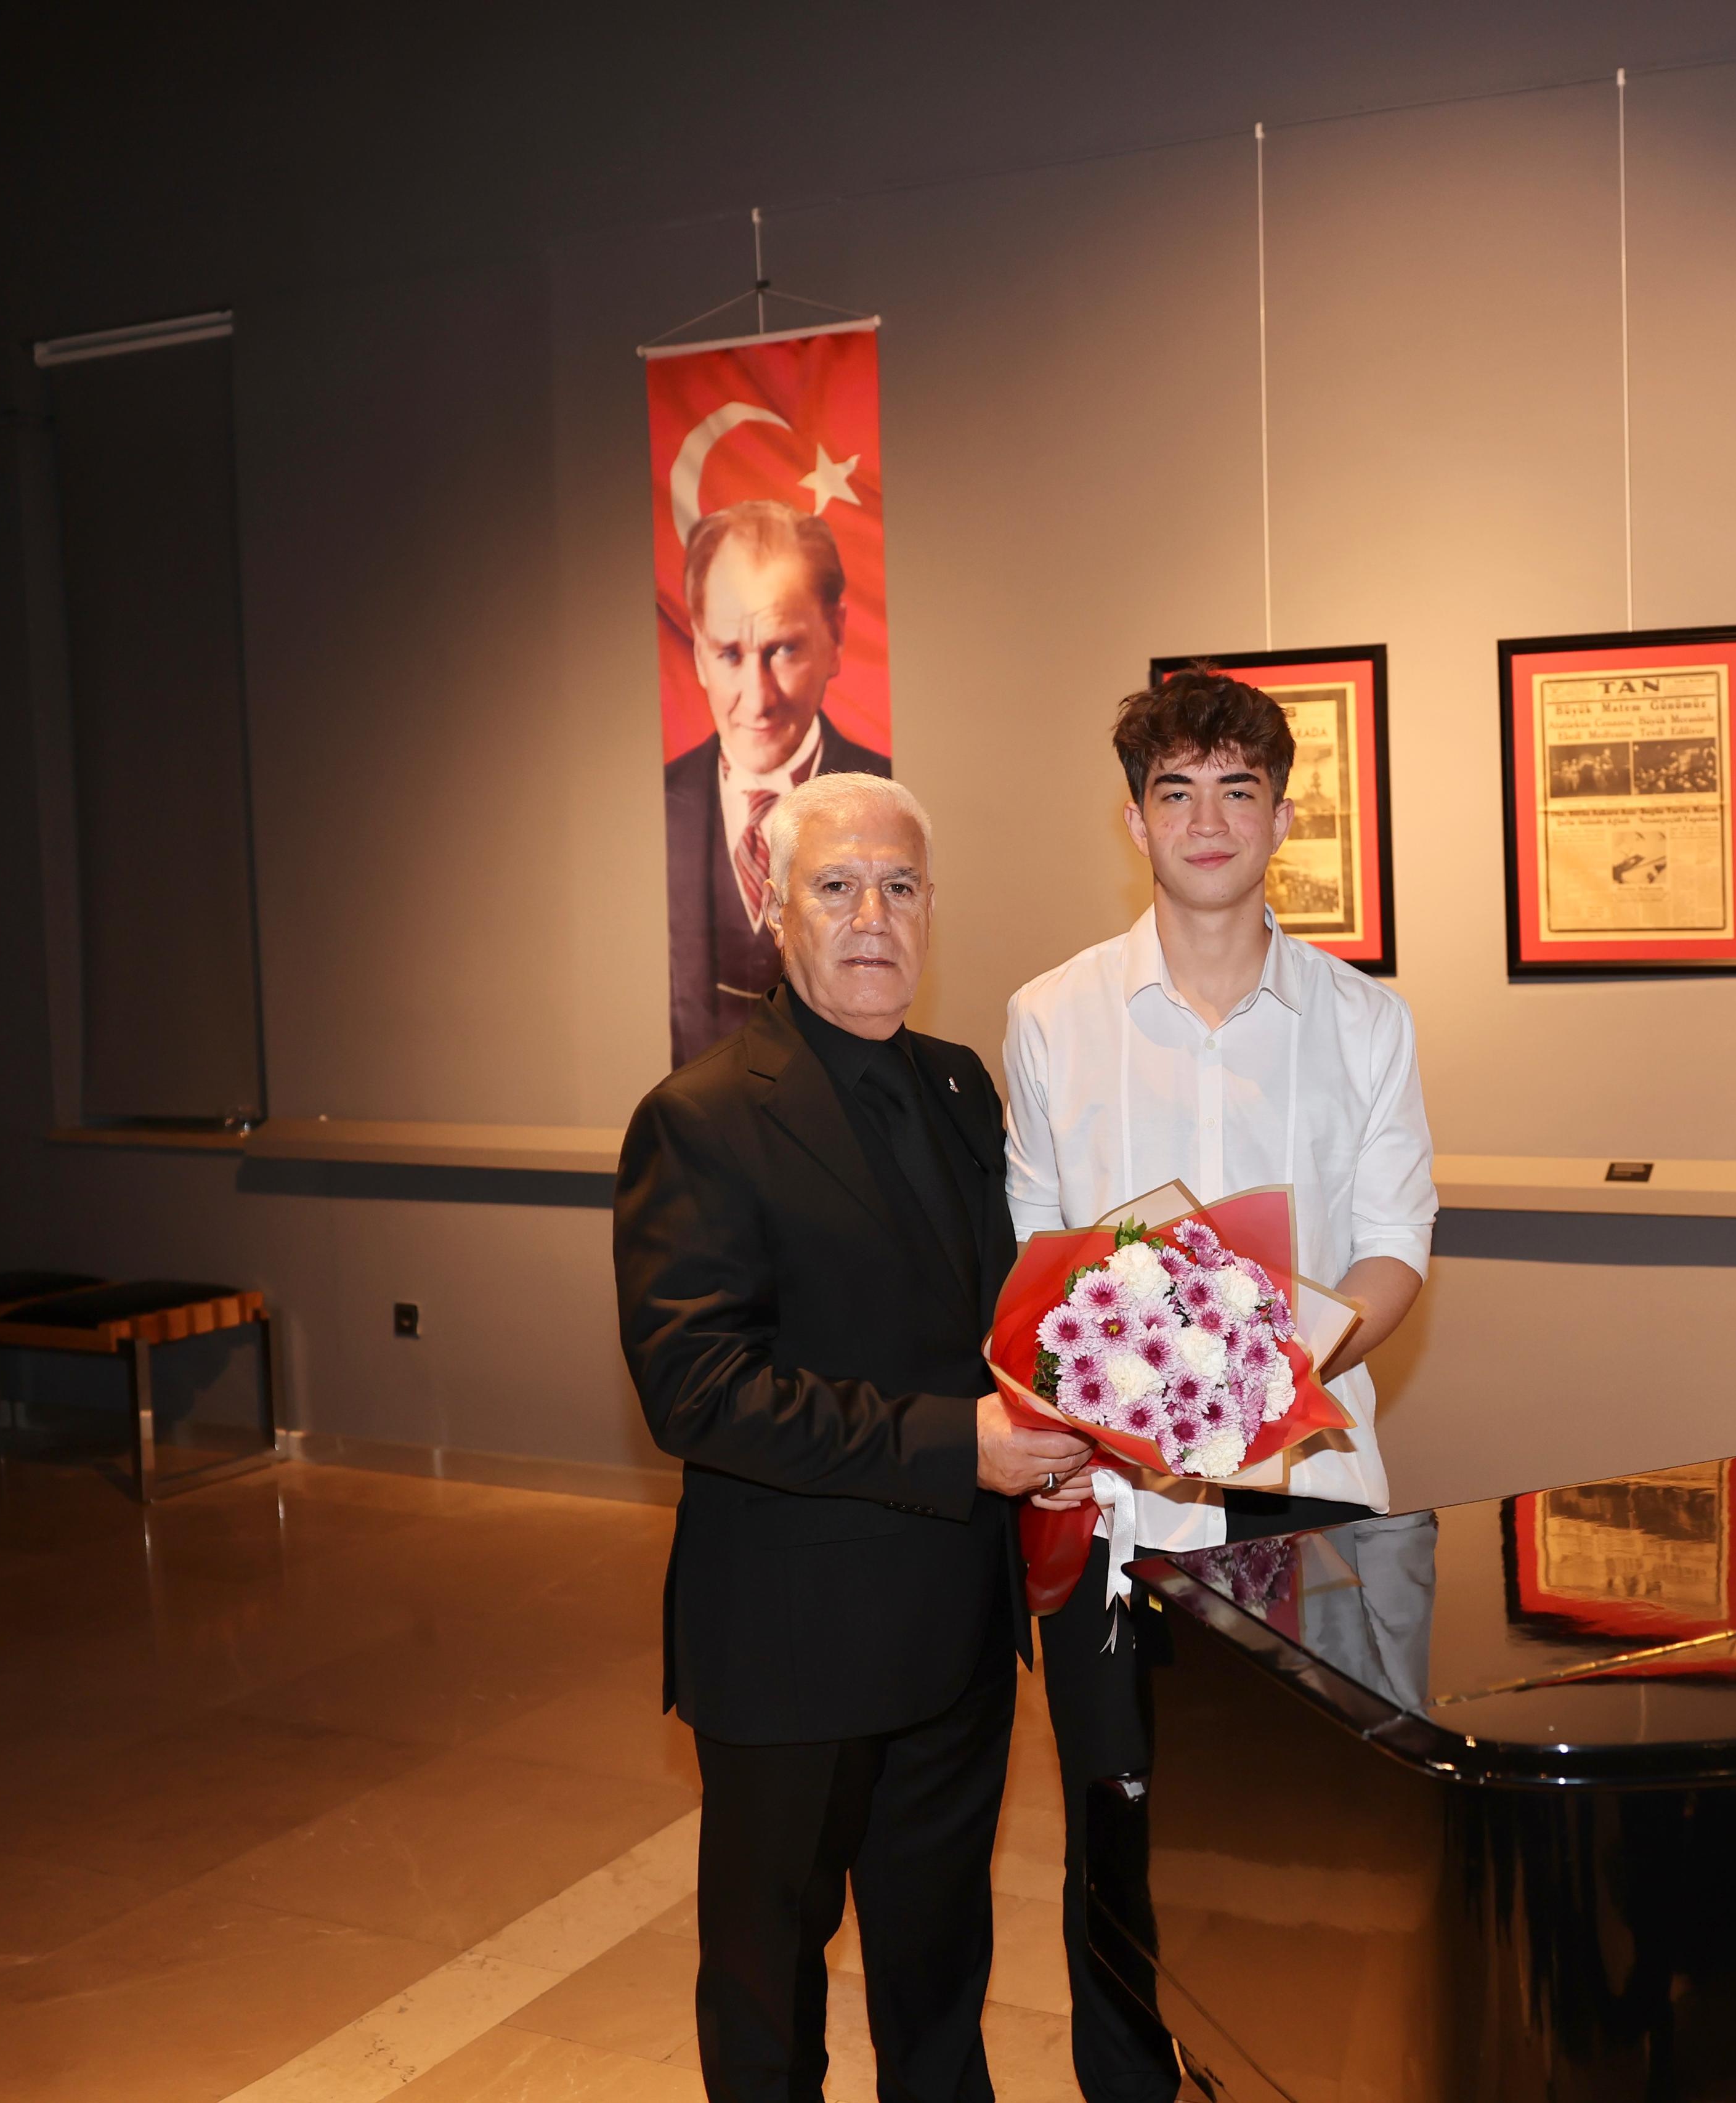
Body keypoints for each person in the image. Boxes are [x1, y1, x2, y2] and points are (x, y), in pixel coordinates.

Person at [617, 771, 1094, 2103]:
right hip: (793, 1642)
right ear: (773, 909)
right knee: (769, 1997)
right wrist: (961, 1447)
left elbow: (1000, 1321)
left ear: (932, 907)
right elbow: (697, 1389)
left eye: (899, 886)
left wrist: (1096, 1407)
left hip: (955, 1636)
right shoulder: (700, 1115)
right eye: (836, 886)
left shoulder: (960, 1084)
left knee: (940, 1988)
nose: (872, 915)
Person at [1002, 667, 1438, 2101]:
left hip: (1301, 1494)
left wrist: (1264, 1372)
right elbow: (1034, 1252)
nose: (1207, 819)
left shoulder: (1363, 1020)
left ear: (1282, 816)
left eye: (1236, 789)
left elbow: (1395, 1246)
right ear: (1133, 820)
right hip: (1113, 1510)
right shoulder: (1052, 1014)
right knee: (1113, 1835)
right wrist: (1121, 1396)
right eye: (1175, 790)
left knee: (1305, 1845)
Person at [665, 500, 893, 1068]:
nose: (758, 698)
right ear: (698, 653)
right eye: (729, 653)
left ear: (836, 636)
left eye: (783, 649)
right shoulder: (665, 806)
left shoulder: (891, 804)